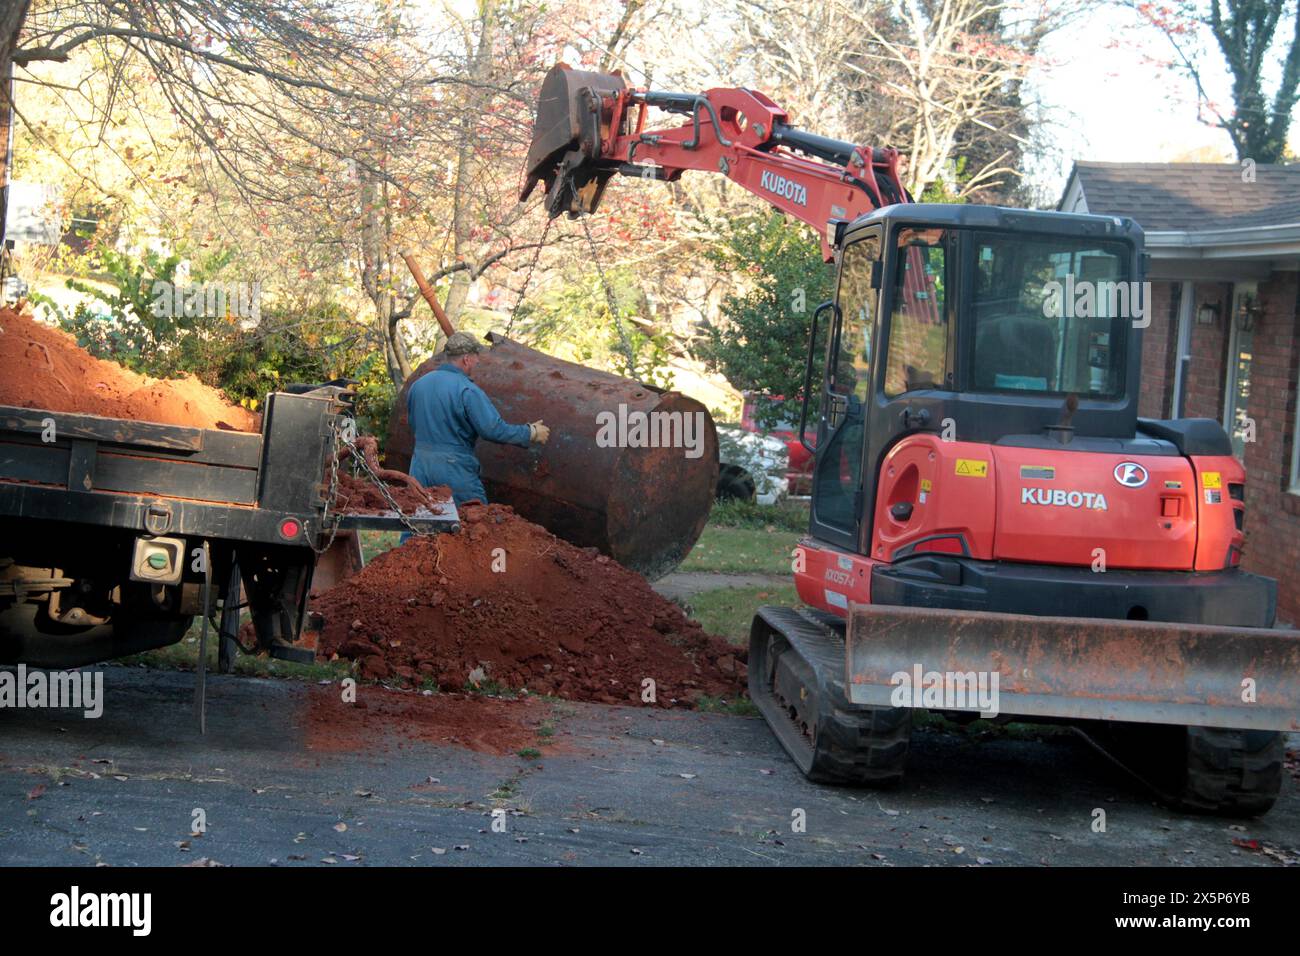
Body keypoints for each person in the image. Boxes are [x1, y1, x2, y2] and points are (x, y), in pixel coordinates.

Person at [406, 331, 550, 505]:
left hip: (419, 464)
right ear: (466, 359)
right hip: (454, 469)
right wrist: (530, 433)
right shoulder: (467, 390)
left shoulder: (418, 384)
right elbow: (492, 430)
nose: (478, 361)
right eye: (476, 357)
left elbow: (413, 424)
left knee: (418, 520)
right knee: (473, 520)